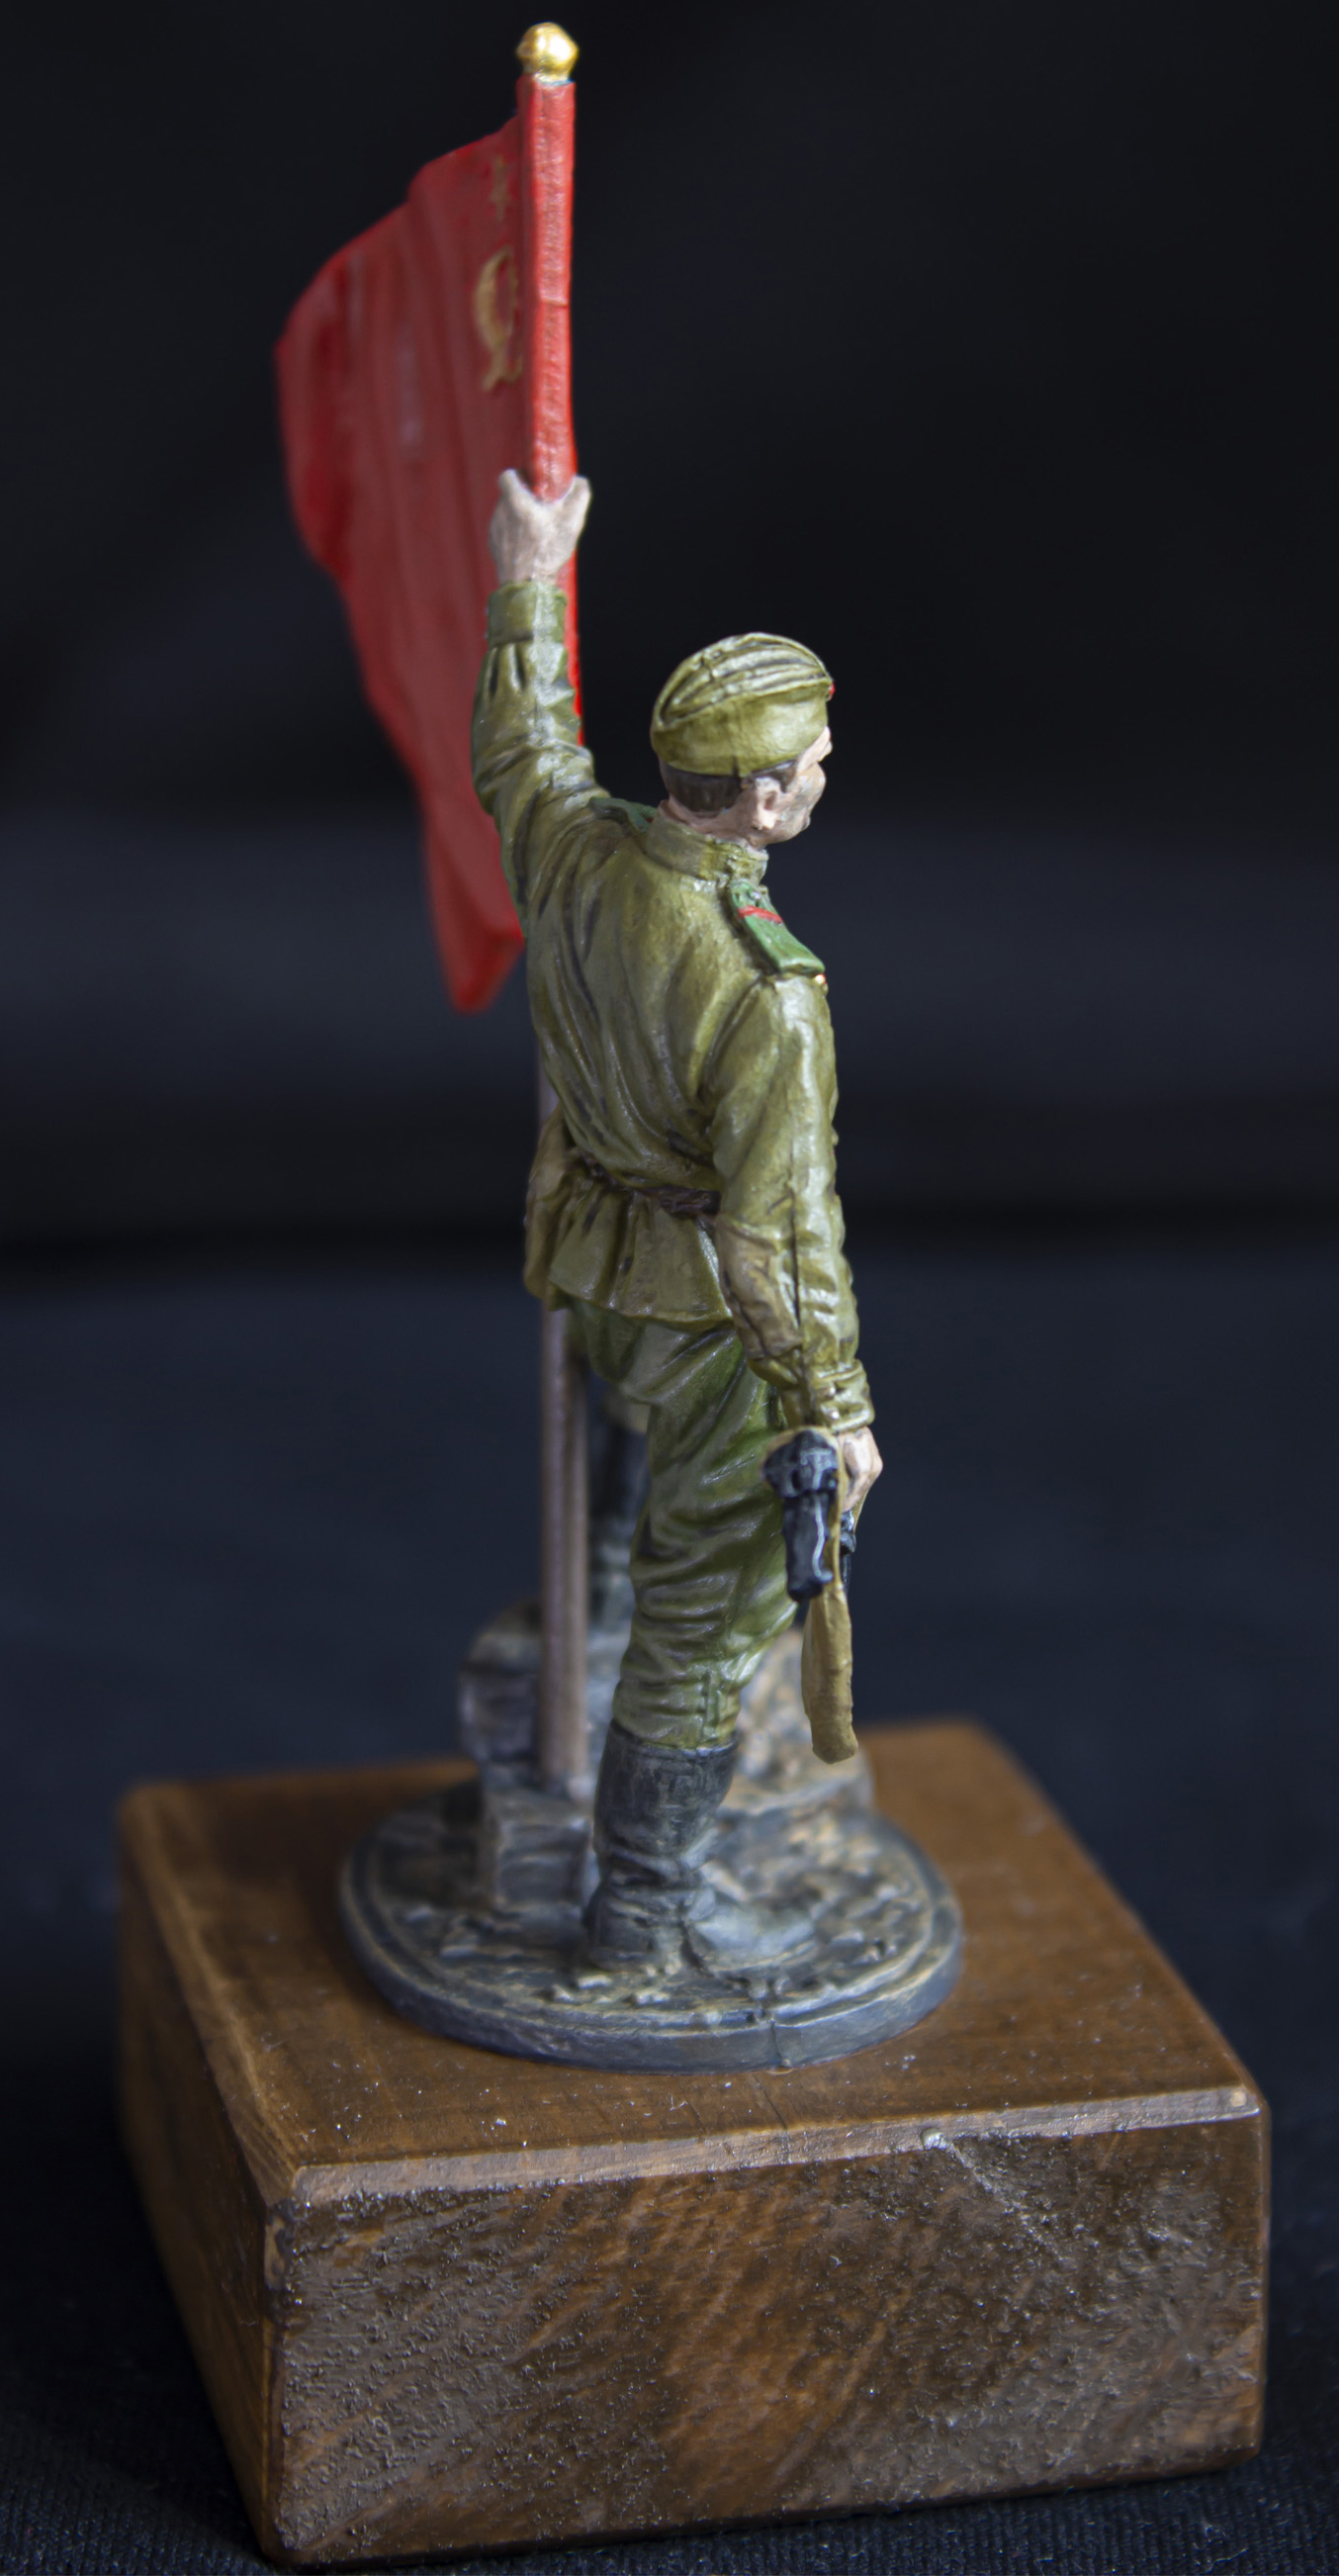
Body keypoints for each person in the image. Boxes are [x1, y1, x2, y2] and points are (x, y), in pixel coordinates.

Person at [474, 468, 881, 1973]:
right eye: (815, 762)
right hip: (711, 1309)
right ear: (764, 799)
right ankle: (644, 1908)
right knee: (706, 1615)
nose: (825, 776)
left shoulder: (573, 847)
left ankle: (583, 1635)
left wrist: (529, 580)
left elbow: (522, 747)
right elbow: (782, 1238)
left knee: (620, 1476)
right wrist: (831, 1407)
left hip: (589, 1259)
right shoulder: (769, 991)